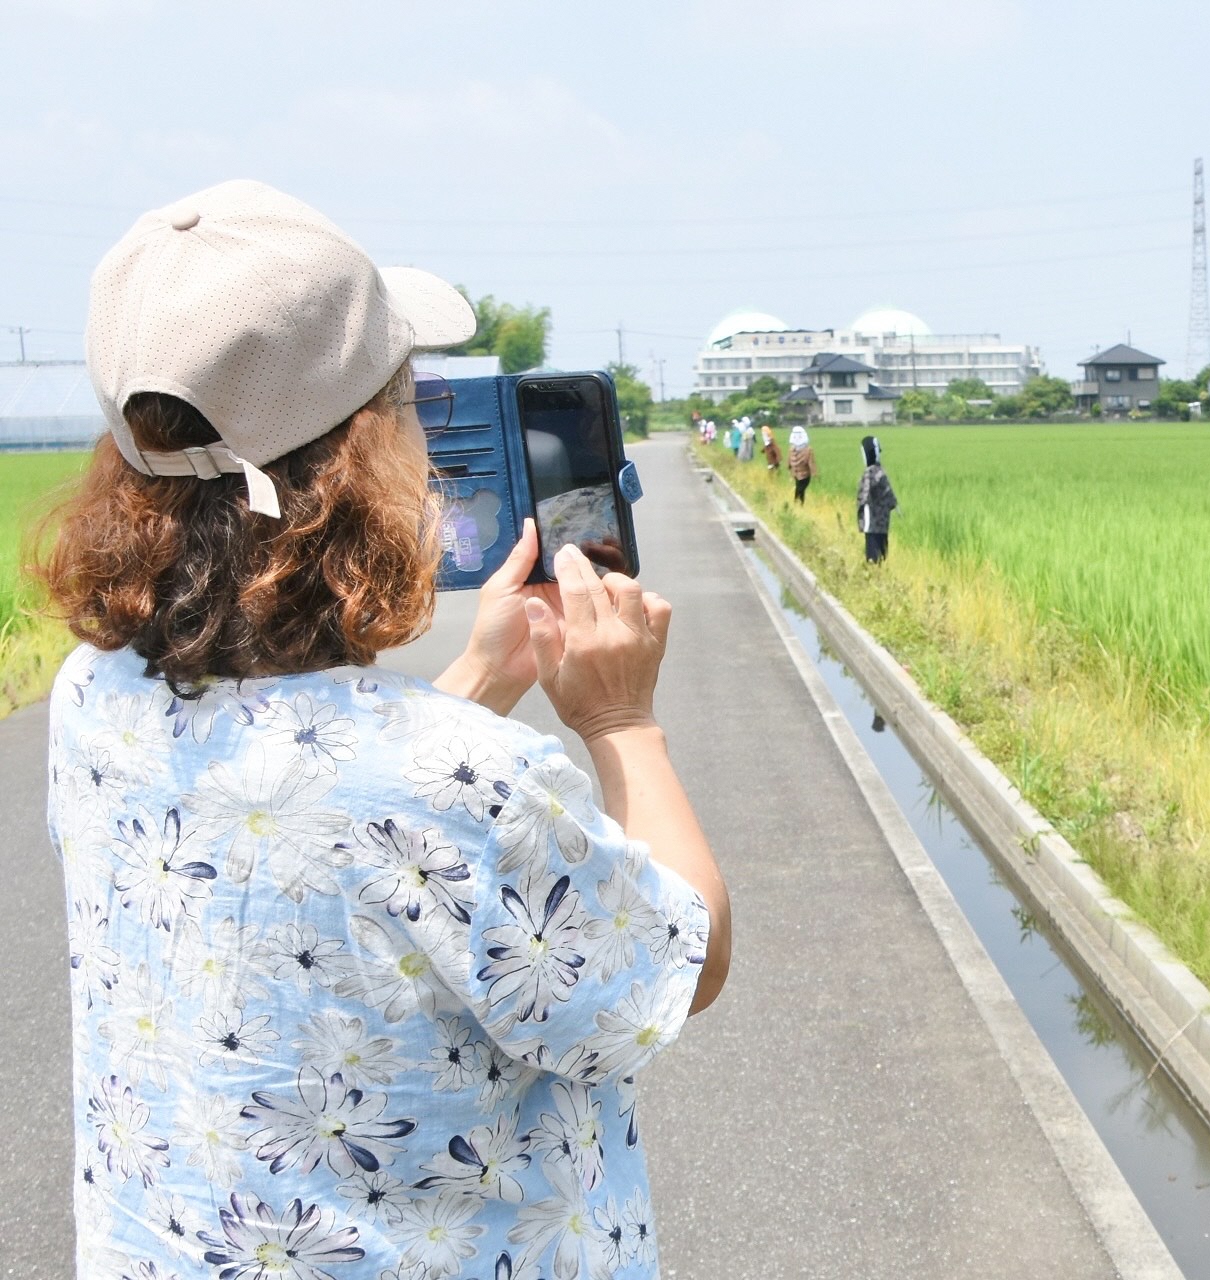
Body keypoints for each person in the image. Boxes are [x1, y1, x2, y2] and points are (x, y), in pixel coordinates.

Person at [33, 179, 731, 1280]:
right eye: (409, 401)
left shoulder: (92, 699)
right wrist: (622, 719)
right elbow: (676, 963)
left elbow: (304, 810)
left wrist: (480, 677)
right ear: (366, 452)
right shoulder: (460, 779)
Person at [856, 434, 898, 563]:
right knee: (882, 547)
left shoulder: (869, 472)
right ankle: (881, 570)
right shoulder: (881, 471)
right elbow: (890, 496)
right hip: (883, 520)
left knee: (872, 551)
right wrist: (893, 505)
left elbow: (864, 495)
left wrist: (860, 511)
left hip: (872, 520)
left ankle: (874, 573)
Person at [788, 425, 815, 504]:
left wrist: (814, 473)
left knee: (800, 489)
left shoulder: (807, 450)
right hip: (798, 474)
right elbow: (789, 460)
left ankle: (798, 504)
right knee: (799, 489)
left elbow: (811, 463)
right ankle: (798, 504)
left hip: (803, 474)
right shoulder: (792, 449)